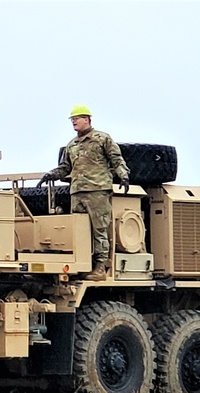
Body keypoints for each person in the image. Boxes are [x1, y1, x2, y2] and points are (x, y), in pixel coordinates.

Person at [37, 105, 129, 281]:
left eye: (77, 118)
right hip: (77, 191)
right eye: (72, 119)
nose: (74, 121)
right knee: (80, 230)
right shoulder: (72, 145)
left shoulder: (102, 138)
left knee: (99, 229)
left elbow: (117, 160)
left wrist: (123, 176)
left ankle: (100, 267)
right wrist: (51, 175)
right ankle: (84, 265)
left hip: (97, 190)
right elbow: (65, 168)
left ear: (87, 119)